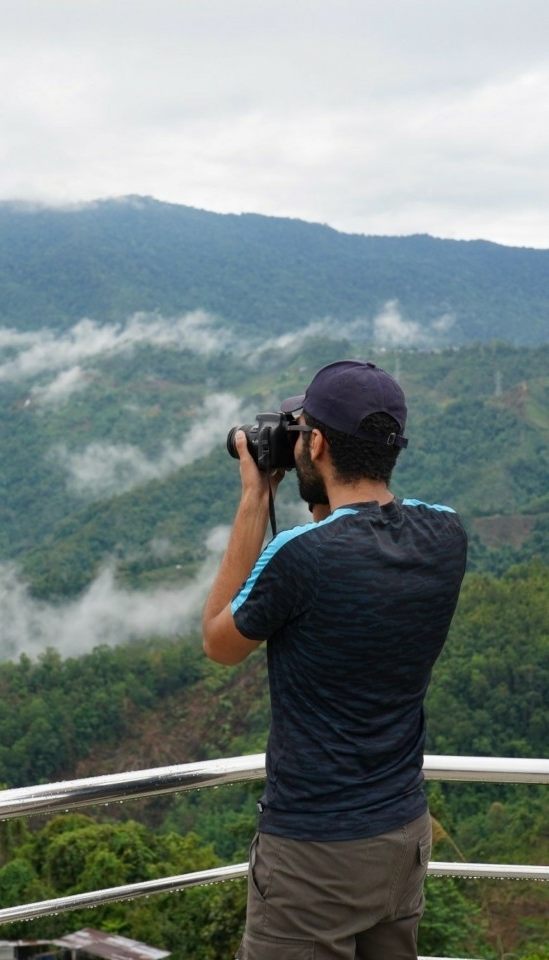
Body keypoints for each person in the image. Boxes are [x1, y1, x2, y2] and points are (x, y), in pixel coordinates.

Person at [202, 359, 468, 960]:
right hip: (403, 836)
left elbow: (219, 643)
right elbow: (360, 534)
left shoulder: (300, 556)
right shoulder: (447, 535)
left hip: (314, 853)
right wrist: (319, 485)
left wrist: (255, 497)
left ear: (315, 443)